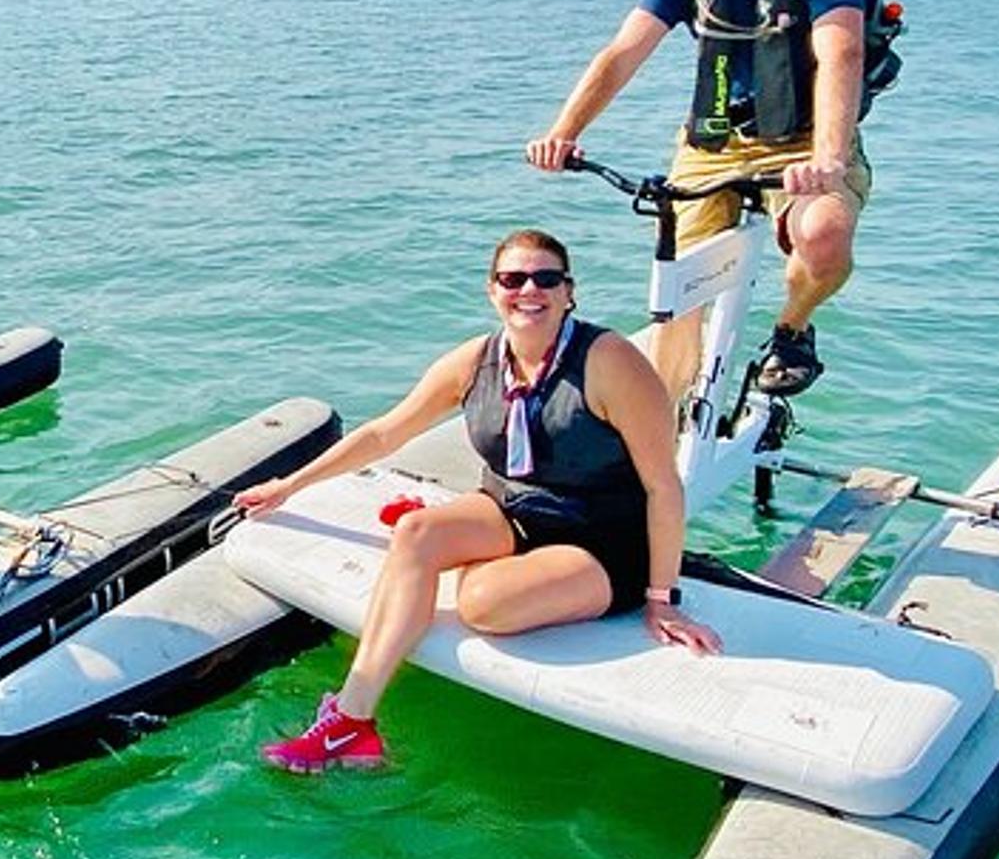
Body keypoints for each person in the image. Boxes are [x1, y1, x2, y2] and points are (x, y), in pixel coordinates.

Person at [238, 231, 718, 773]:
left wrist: (662, 598)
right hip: (512, 509)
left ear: (569, 292)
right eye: (513, 279)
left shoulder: (610, 362)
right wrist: (289, 485)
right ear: (493, 291)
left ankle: (467, 561)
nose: (529, 290)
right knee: (416, 534)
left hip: (602, 541)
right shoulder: (477, 361)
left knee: (481, 604)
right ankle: (351, 721)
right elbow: (385, 433)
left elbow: (663, 486)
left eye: (546, 279)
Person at [526, 0, 872, 400]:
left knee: (822, 235)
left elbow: (841, 52)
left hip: (806, 140)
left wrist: (828, 157)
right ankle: (667, 418)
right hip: (715, 143)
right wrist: (564, 132)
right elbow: (622, 53)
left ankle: (792, 331)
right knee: (681, 285)